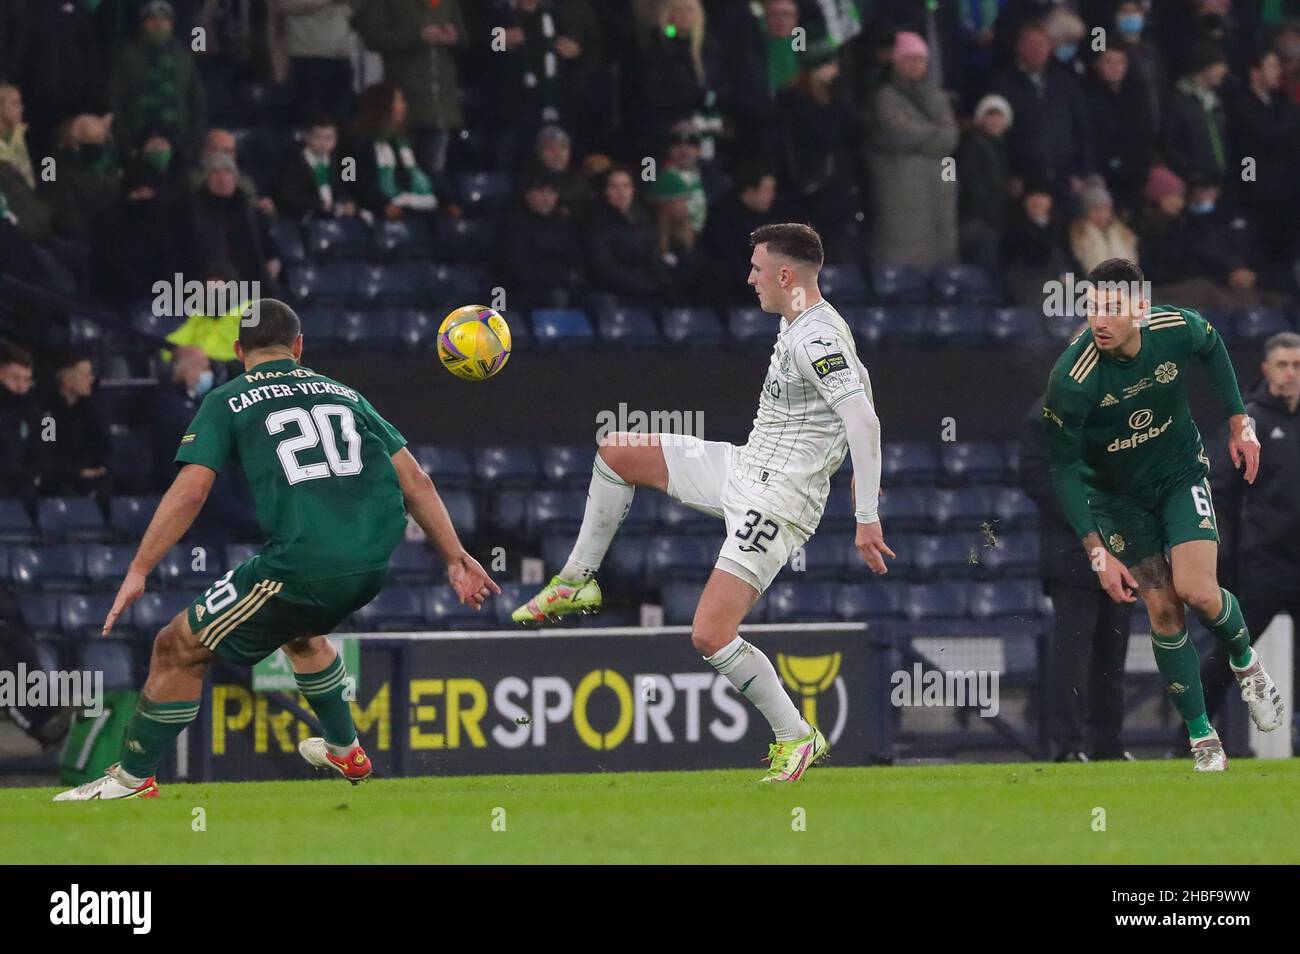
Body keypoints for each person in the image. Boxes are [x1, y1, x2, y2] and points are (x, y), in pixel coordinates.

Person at [54, 299, 497, 800]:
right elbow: (416, 479)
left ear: (238, 349)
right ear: (299, 347)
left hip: (304, 563)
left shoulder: (227, 398)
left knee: (174, 647)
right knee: (299, 631)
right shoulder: (345, 394)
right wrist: (456, 558)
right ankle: (344, 747)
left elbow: (191, 491)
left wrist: (139, 568)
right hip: (372, 565)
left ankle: (131, 779)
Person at [510, 223, 891, 782]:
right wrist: (857, 477)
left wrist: (865, 516)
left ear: (786, 275)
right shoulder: (807, 324)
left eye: (758, 268)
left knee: (710, 632)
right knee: (617, 450)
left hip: (778, 501)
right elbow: (857, 403)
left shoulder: (816, 337)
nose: (750, 278)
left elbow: (863, 418)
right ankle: (576, 580)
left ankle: (795, 735)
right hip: (743, 466)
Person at [1042, 258, 1286, 771]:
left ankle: (1246, 664)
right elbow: (1061, 468)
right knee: (1164, 611)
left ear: (1140, 309)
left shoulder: (1174, 328)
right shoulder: (1073, 378)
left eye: (1111, 309)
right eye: (1092, 310)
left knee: (1199, 592)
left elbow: (1213, 347)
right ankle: (1204, 739)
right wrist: (1095, 553)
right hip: (1116, 501)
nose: (1100, 321)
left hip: (1179, 476)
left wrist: (1240, 422)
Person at [1021, 385, 1134, 762]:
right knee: (1073, 655)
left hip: (1122, 553)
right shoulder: (1046, 414)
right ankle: (1068, 745)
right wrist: (1092, 524)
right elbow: (1038, 479)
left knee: (1112, 654)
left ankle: (1107, 742)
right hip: (1072, 554)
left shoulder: (1123, 409)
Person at [1204, 332, 1300, 741]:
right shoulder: (1247, 423)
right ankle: (1192, 733)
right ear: (1266, 369)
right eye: (1283, 365)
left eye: (1297, 365)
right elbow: (1217, 493)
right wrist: (1222, 558)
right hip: (1261, 564)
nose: (1291, 373)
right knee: (1231, 653)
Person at [868, 31, 958, 268]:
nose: (915, 64)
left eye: (920, 59)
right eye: (909, 58)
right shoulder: (885, 97)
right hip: (900, 188)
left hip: (938, 192)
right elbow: (897, 132)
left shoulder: (938, 98)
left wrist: (922, 132)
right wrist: (934, 130)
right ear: (896, 62)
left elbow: (950, 136)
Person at [37, 349, 111, 499]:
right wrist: (77, 472)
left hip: (89, 476)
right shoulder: (47, 413)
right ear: (66, 380)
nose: (91, 379)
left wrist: (100, 467)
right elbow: (47, 452)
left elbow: (102, 444)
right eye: (85, 375)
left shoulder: (90, 409)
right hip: (59, 481)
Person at [956, 94, 1013, 276]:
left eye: (999, 116)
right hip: (979, 222)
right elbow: (967, 182)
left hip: (993, 221)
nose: (995, 121)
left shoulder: (1001, 147)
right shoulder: (974, 144)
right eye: (990, 116)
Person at [273, 115, 357, 220]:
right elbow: (289, 196)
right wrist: (319, 205)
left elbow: (347, 187)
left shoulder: (343, 160)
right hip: (304, 218)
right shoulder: (293, 161)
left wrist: (347, 201)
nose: (323, 143)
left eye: (328, 138)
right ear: (307, 137)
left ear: (336, 140)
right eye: (317, 137)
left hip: (337, 217)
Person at [0, 340, 39, 500]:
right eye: (15, 378)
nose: (21, 385)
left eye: (27, 380)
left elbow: (49, 443)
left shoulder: (42, 414)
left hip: (27, 485)